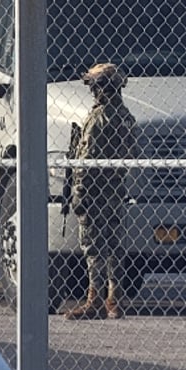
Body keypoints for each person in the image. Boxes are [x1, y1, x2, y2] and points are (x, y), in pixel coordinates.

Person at [64, 63, 136, 320]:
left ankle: (94, 299)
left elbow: (85, 158)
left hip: (94, 190)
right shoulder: (126, 116)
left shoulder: (97, 118)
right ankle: (114, 298)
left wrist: (79, 192)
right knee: (115, 244)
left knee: (93, 246)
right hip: (116, 188)